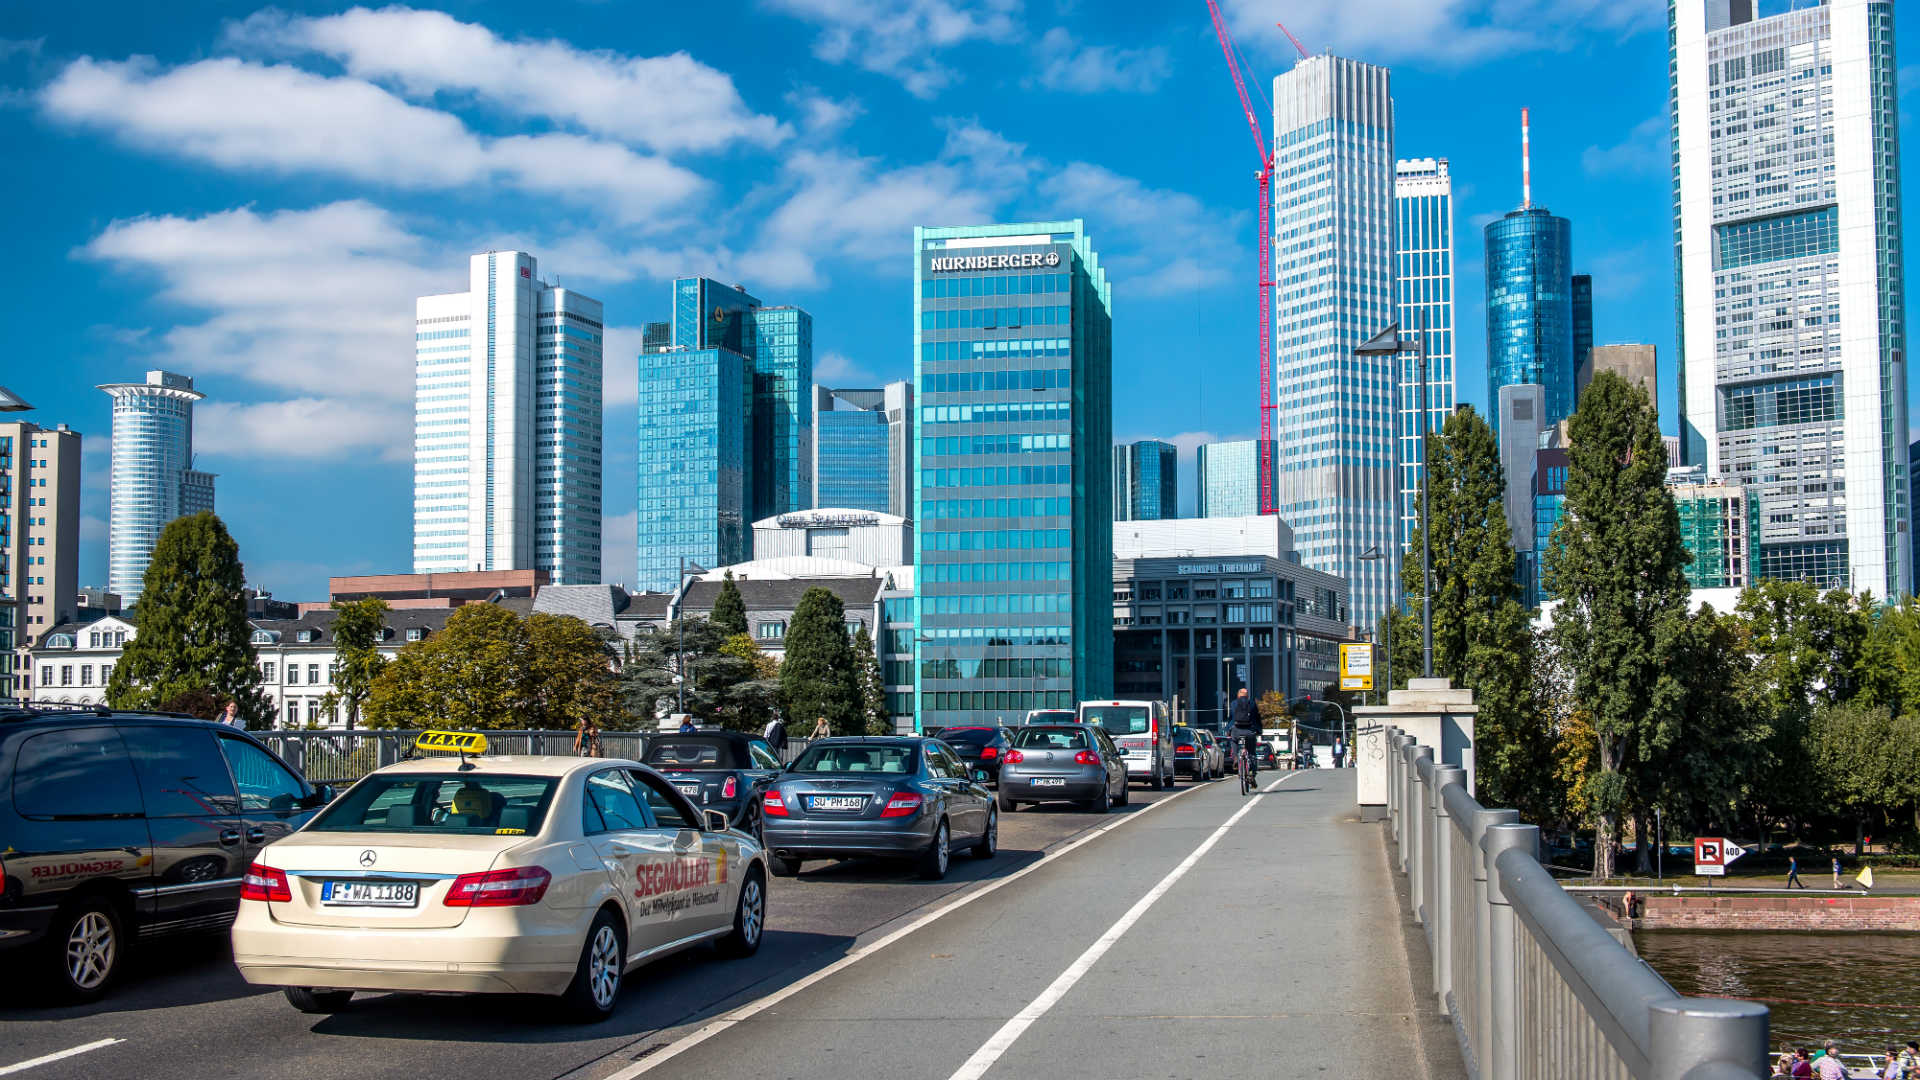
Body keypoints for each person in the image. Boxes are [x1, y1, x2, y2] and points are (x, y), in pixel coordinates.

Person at [1227, 687, 1261, 777]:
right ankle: (1252, 772)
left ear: (1238, 695)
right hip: (1249, 732)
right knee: (1252, 752)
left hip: (1236, 731)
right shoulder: (1252, 704)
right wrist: (1259, 730)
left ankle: (1235, 759)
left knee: (1234, 741)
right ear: (1247, 696)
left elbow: (1231, 719)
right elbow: (1257, 718)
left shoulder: (1233, 704)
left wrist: (1228, 730)